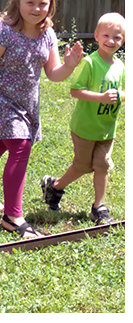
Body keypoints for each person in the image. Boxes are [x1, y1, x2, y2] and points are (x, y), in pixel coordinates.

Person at [0, 0, 84, 238]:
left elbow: (54, 73)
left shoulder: (48, 34)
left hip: (25, 104)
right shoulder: (4, 30)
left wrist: (70, 65)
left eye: (43, 4)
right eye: (30, 2)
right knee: (20, 147)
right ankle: (13, 216)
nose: (37, 9)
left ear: (50, 5)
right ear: (17, 1)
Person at [41, 12, 125, 224]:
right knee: (82, 166)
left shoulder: (120, 66)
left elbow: (123, 91)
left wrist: (119, 95)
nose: (111, 41)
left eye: (117, 37)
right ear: (96, 36)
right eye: (106, 35)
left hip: (107, 128)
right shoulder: (90, 63)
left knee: (102, 165)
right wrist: (101, 97)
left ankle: (99, 206)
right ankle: (54, 187)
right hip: (85, 127)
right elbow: (76, 91)